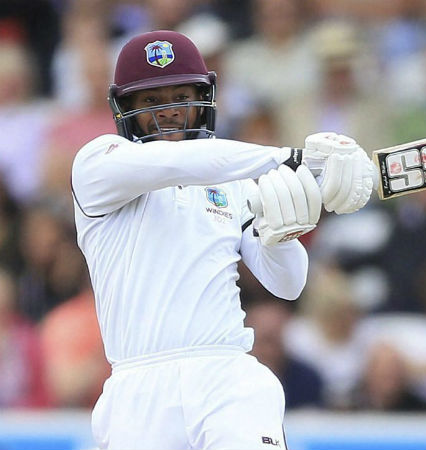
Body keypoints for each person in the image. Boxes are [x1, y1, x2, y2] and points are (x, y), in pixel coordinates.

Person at [70, 30, 375, 450]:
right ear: (124, 107)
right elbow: (178, 163)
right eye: (152, 100)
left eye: (181, 96)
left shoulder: (233, 181)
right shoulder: (97, 166)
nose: (169, 111)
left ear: (204, 98)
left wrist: (283, 232)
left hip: (226, 377)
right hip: (137, 390)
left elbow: (288, 285)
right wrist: (291, 159)